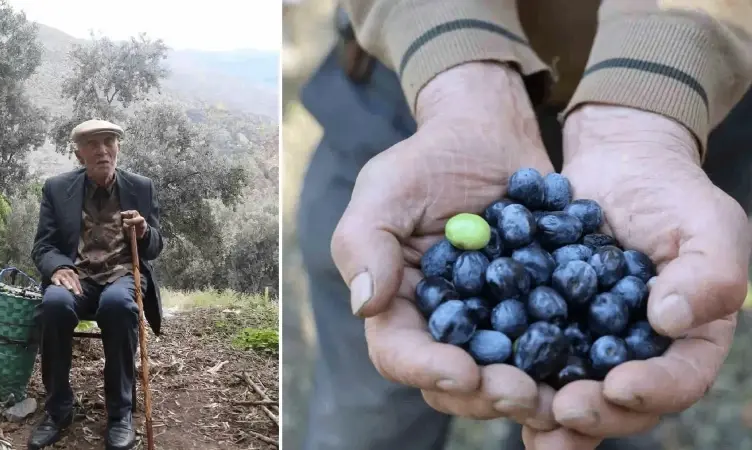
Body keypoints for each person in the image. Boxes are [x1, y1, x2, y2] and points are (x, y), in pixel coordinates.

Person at [296, 1, 752, 449]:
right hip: (416, 80)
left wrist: (662, 77)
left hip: (685, 107)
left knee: (610, 400)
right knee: (371, 415)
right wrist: (455, 50)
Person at [28, 119, 164, 450]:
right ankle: (59, 409)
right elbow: (43, 246)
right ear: (79, 154)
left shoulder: (141, 187)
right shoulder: (57, 189)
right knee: (54, 305)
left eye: (109, 142)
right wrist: (58, 266)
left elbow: (155, 247)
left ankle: (120, 414)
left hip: (122, 274)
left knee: (118, 307)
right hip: (78, 276)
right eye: (93, 144)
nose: (102, 150)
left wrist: (144, 232)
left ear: (117, 147)